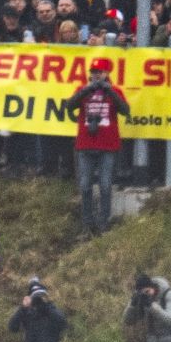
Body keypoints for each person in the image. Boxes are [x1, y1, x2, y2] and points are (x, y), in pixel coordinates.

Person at [66, 59, 132, 232]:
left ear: (106, 73)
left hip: (107, 146)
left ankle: (104, 221)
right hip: (85, 144)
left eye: (99, 72)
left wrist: (110, 91)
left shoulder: (114, 90)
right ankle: (87, 221)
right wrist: (86, 90)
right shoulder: (82, 89)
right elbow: (69, 106)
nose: (96, 75)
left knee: (105, 184)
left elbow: (125, 110)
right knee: (85, 184)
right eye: (93, 71)